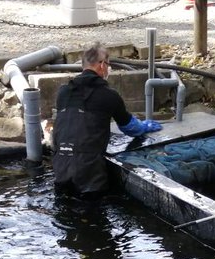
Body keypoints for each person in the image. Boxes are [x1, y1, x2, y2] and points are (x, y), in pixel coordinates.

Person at [52, 43, 163, 199]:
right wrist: (145, 126)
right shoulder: (109, 95)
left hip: (60, 169)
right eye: (109, 64)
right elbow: (130, 127)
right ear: (102, 65)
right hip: (89, 175)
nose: (109, 68)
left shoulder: (63, 92)